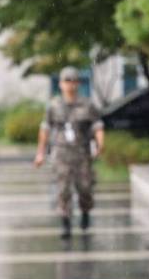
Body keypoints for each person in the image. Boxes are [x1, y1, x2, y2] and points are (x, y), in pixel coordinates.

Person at [34, 67, 105, 239]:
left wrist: (100, 144)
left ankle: (85, 213)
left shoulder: (87, 105)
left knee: (85, 189)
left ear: (78, 83)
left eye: (73, 80)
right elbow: (45, 128)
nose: (70, 84)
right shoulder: (53, 105)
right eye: (66, 81)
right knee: (63, 189)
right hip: (61, 154)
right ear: (60, 84)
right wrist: (40, 153)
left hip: (82, 154)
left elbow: (97, 126)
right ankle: (65, 223)